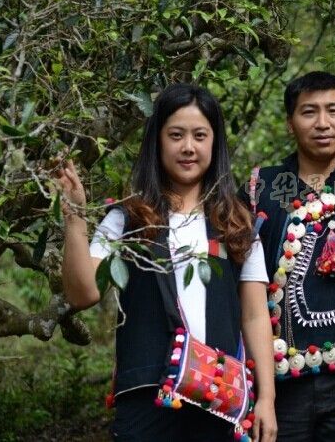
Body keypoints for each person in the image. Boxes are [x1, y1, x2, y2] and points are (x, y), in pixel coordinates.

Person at [57, 84, 277, 442]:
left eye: (199, 136)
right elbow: (84, 294)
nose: (188, 147)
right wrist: (74, 217)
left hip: (218, 399)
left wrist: (266, 398)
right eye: (176, 135)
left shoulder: (237, 225)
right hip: (145, 396)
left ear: (215, 143)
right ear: (157, 142)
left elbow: (254, 316)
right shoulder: (127, 219)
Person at [240, 71, 335, 441]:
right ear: (290, 123)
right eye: (309, 112)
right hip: (277, 382)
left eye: (333, 111)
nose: (322, 123)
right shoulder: (259, 189)